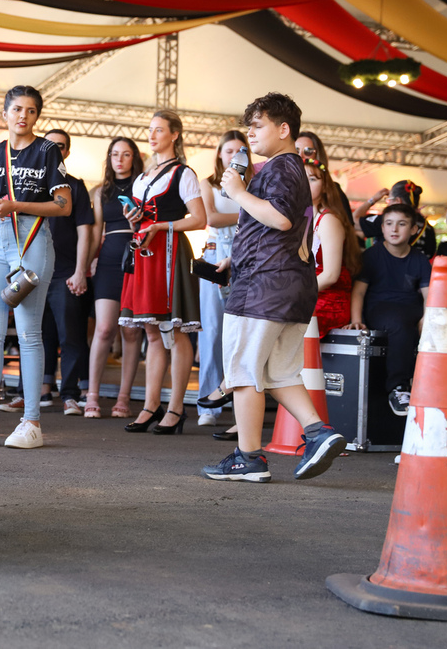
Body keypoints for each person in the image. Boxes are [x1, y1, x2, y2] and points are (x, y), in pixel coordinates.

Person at [202, 92, 346, 483]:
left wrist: (238, 192)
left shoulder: (281, 166)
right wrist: (236, 256)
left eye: (258, 125)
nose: (250, 133)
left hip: (262, 288)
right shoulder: (291, 168)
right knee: (280, 373)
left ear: (284, 129)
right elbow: (281, 225)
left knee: (245, 372)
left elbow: (281, 219)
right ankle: (318, 432)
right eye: (249, 125)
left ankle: (248, 457)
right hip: (290, 286)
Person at [0, 86, 71, 450]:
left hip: (31, 237)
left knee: (28, 331)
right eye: (17, 109)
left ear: (37, 116)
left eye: (30, 111)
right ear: (4, 113)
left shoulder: (47, 150)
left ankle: (32, 423)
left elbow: (63, 205)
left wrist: (18, 205)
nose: (23, 116)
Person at [118, 111, 206, 435]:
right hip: (145, 251)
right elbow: (141, 220)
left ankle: (176, 407)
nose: (152, 136)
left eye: (159, 130)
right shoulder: (142, 177)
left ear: (175, 135)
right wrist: (135, 220)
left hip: (169, 253)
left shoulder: (184, 173)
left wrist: (160, 225)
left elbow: (199, 218)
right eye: (150, 130)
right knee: (151, 331)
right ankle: (150, 405)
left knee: (176, 330)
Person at [29, 129, 92, 416]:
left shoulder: (76, 187)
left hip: (65, 271)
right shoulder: (28, 182)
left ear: (66, 152)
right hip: (32, 270)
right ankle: (37, 390)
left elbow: (85, 232)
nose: (55, 149)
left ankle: (69, 394)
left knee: (70, 335)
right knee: (35, 334)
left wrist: (80, 271)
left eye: (61, 146)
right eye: (49, 145)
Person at [347, 203, 430, 416]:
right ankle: (398, 387)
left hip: (412, 308)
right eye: (389, 224)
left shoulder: (420, 260)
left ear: (413, 229)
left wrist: (427, 319)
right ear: (382, 228)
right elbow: (358, 292)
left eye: (402, 224)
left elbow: (428, 296)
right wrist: (356, 319)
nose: (394, 229)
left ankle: (429, 390)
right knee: (398, 323)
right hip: (380, 309)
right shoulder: (371, 256)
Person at [84, 137, 144, 419]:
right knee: (104, 328)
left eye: (126, 154)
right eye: (115, 154)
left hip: (138, 258)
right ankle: (92, 396)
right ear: (108, 158)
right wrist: (86, 265)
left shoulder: (144, 185)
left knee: (131, 331)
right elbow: (96, 232)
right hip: (108, 259)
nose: (119, 159)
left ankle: (123, 398)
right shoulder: (100, 191)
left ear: (135, 158)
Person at [195, 131, 252, 428]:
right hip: (217, 253)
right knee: (212, 330)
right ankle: (208, 403)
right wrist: (249, 212)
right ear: (219, 154)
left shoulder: (253, 183)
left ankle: (243, 403)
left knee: (245, 329)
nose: (232, 155)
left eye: (238, 151)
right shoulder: (208, 183)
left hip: (247, 253)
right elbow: (212, 218)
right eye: (227, 150)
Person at [305, 152, 361, 338]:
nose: (305, 184)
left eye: (312, 179)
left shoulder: (328, 220)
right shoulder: (301, 219)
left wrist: (294, 293)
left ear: (325, 186)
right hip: (308, 295)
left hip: (328, 300)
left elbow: (330, 275)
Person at [354, 179, 436, 257]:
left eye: (388, 200)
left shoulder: (388, 222)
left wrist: (373, 200)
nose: (388, 204)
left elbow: (353, 220)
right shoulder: (428, 228)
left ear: (397, 201)